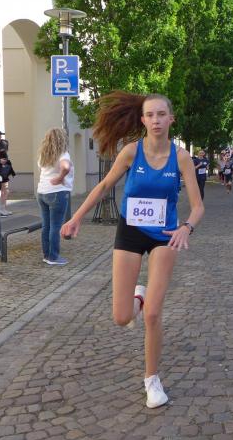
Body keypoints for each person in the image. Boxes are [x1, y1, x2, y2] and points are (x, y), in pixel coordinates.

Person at [60, 91, 204, 408]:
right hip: (130, 231)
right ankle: (137, 298)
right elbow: (103, 186)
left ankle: (152, 379)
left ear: (171, 119)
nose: (156, 120)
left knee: (152, 314)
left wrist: (186, 227)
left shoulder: (181, 157)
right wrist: (76, 217)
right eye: (150, 115)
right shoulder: (131, 152)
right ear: (142, 120)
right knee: (121, 316)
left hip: (165, 234)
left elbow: (197, 206)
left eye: (161, 114)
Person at [36, 128, 73, 265]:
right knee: (55, 226)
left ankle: (46, 255)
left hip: (42, 192)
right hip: (57, 192)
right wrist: (60, 178)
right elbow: (66, 167)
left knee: (46, 226)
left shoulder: (43, 154)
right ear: (62, 139)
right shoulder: (63, 153)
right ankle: (54, 257)